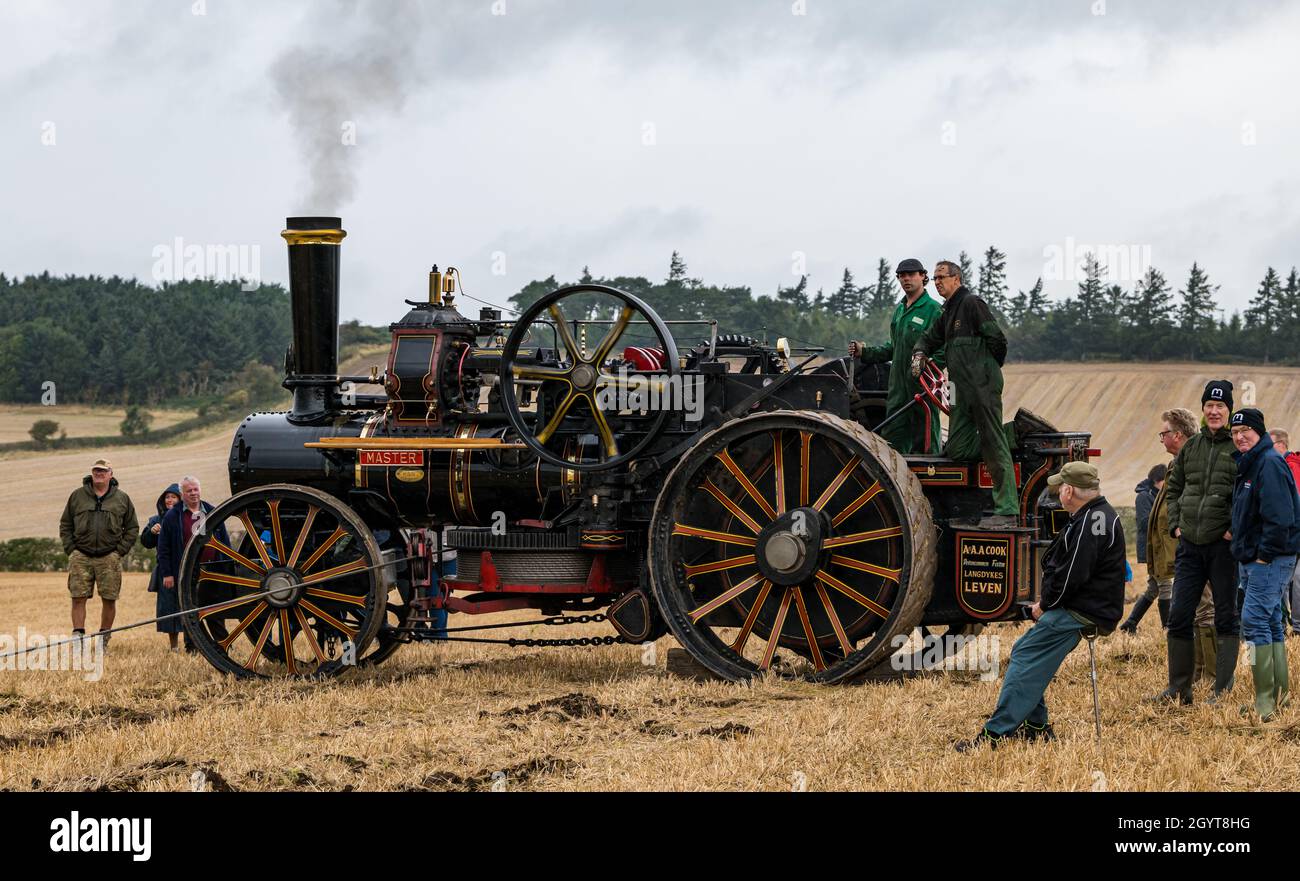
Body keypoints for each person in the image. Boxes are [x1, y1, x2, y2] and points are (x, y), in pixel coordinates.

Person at [955, 462, 1124, 750]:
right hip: (1089, 606)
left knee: (1024, 658)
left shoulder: (1090, 522)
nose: (1058, 492)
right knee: (1026, 652)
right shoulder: (1098, 515)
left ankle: (994, 736)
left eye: (1061, 487)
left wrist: (1045, 605)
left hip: (1081, 610)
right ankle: (1036, 727)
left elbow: (1073, 576)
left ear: (1069, 491)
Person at [1151, 381, 1239, 705]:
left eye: (1221, 407)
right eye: (1209, 406)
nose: (1214, 411)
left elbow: (1246, 494)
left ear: (1229, 410)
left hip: (1223, 547)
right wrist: (1176, 524)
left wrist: (1233, 527)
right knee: (1179, 615)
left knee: (1226, 616)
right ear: (1203, 410)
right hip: (1190, 545)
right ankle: (1179, 688)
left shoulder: (1237, 448)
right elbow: (1174, 490)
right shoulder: (1192, 447)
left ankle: (1222, 690)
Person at [911, 260, 1017, 528]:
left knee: (993, 443)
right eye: (934, 278)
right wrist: (920, 352)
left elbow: (998, 340)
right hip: (958, 389)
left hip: (982, 386)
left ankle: (1006, 510)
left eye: (941, 277)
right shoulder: (947, 313)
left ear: (956, 279)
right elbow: (929, 337)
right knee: (958, 448)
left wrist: (987, 369)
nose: (936, 283)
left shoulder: (972, 304)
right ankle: (1012, 435)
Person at [1229, 408, 1300, 721]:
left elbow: (1280, 516)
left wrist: (1264, 554)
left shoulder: (1268, 464)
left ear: (1260, 431)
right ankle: (1279, 696)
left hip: (1269, 558)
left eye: (1245, 430)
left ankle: (1265, 703)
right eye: (1235, 432)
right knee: (1270, 621)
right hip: (1257, 557)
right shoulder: (1253, 462)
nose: (1240, 436)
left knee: (1254, 620)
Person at [848, 258, 943, 454]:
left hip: (922, 390)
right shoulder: (900, 310)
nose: (906, 279)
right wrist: (864, 352)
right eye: (902, 275)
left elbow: (944, 349)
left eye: (911, 274)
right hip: (897, 391)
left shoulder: (933, 309)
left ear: (923, 276)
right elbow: (893, 348)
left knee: (925, 445)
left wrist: (927, 370)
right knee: (892, 446)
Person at [58, 458, 138, 651]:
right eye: (96, 471)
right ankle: (78, 637)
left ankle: (103, 639)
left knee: (109, 599)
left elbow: (132, 528)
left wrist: (119, 552)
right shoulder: (77, 496)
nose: (99, 474)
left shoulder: (122, 498)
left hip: (109, 556)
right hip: (81, 555)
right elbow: (65, 524)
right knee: (78, 597)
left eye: (103, 471)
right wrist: (71, 549)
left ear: (111, 474)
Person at [156, 476, 230, 647]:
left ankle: (223, 644)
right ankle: (193, 646)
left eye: (196, 489)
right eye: (189, 491)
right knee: (189, 610)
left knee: (215, 608)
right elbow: (163, 548)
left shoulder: (212, 510)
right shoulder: (172, 516)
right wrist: (167, 573)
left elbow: (224, 541)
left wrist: (226, 565)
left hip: (211, 568)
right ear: (182, 494)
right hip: (186, 569)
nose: (193, 493)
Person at [141, 483, 184, 651]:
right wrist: (151, 532)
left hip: (183, 567)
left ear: (180, 499)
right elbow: (145, 542)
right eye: (167, 497)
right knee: (169, 608)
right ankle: (174, 646)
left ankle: (192, 644)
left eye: (173, 496)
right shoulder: (156, 519)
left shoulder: (186, 518)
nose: (169, 500)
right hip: (165, 569)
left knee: (186, 606)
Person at [1119, 463, 1162, 633]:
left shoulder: (1159, 494)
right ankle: (1168, 629)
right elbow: (1144, 523)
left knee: (1155, 588)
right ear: (1157, 480)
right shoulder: (1144, 497)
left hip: (1161, 548)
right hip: (1153, 549)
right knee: (1163, 587)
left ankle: (1130, 623)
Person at [1268, 429, 1300, 633]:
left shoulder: (1287, 467)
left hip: (1289, 535)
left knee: (1288, 581)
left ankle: (1292, 626)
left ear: (1280, 445)